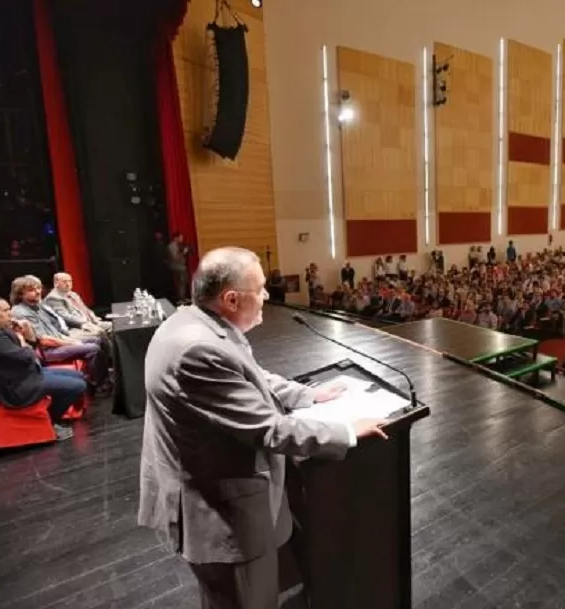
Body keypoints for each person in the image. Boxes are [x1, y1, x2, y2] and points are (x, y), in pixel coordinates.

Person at [138, 247, 389, 609]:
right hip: (220, 516)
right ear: (231, 298)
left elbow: (250, 376)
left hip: (210, 493)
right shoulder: (198, 349)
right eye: (261, 288)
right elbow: (269, 431)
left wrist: (308, 395)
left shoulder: (196, 324)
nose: (268, 296)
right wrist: (346, 431)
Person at [0, 295, 86, 440]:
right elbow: (28, 356)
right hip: (16, 386)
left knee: (77, 376)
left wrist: (24, 335)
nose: (11, 314)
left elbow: (30, 350)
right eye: (6, 310)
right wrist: (21, 340)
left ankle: (51, 416)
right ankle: (50, 420)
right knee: (77, 386)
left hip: (24, 373)